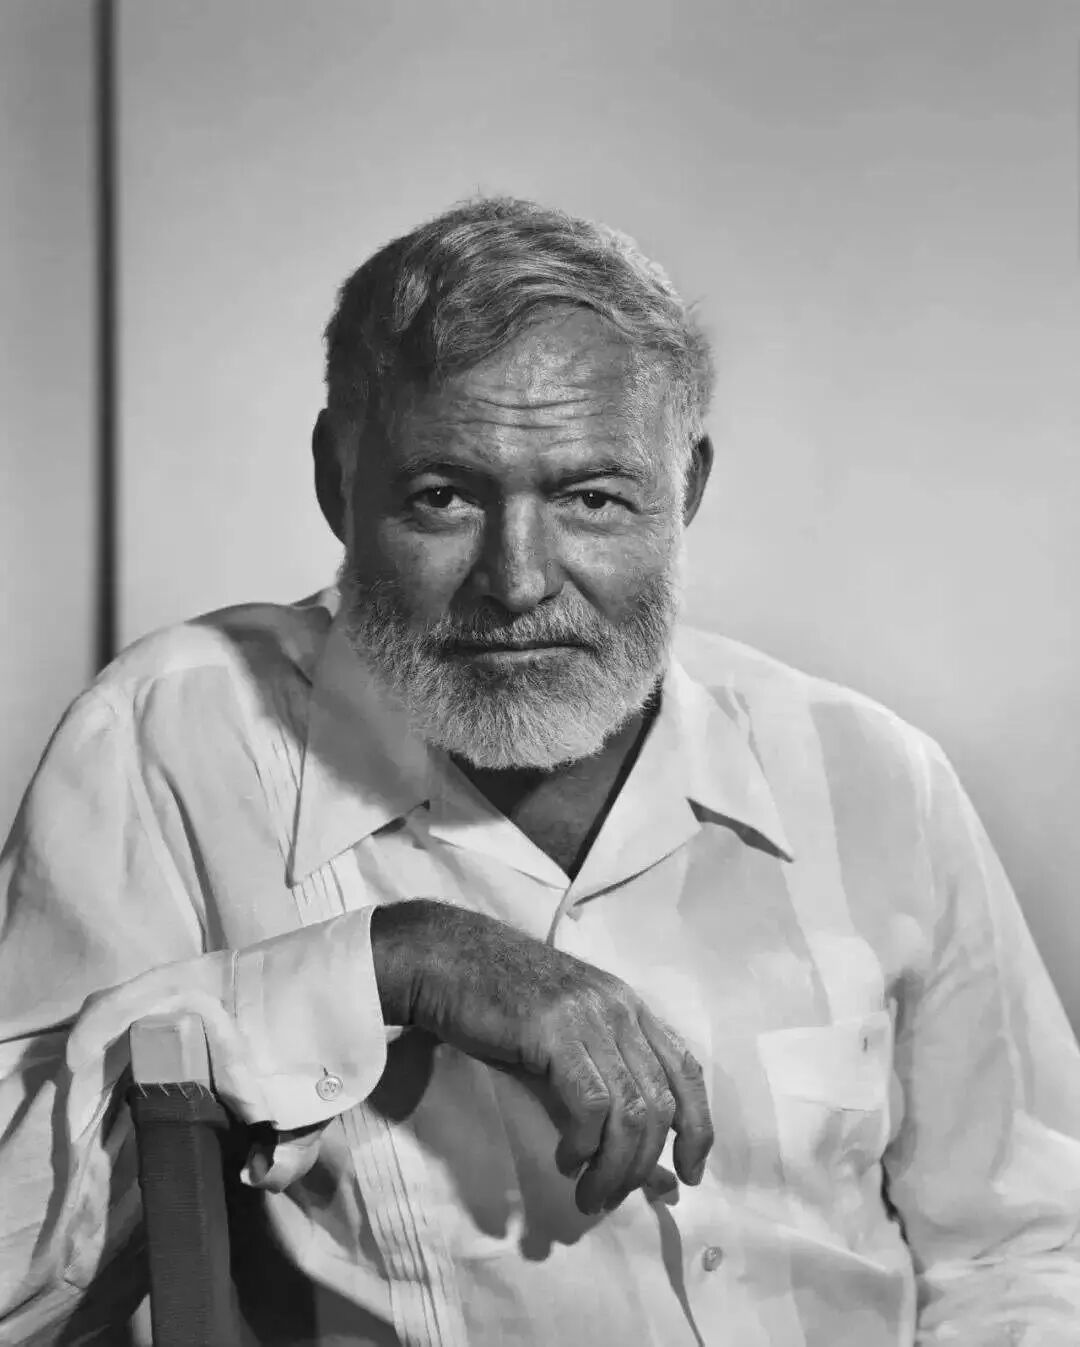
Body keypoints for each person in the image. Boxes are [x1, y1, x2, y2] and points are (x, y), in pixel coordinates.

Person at [2, 196, 1079, 1346]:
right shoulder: (175, 737)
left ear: (687, 488)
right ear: (335, 479)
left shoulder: (875, 775)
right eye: (444, 497)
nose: (517, 581)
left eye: (591, 499)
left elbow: (1024, 1251)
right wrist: (386, 963)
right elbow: (17, 1283)